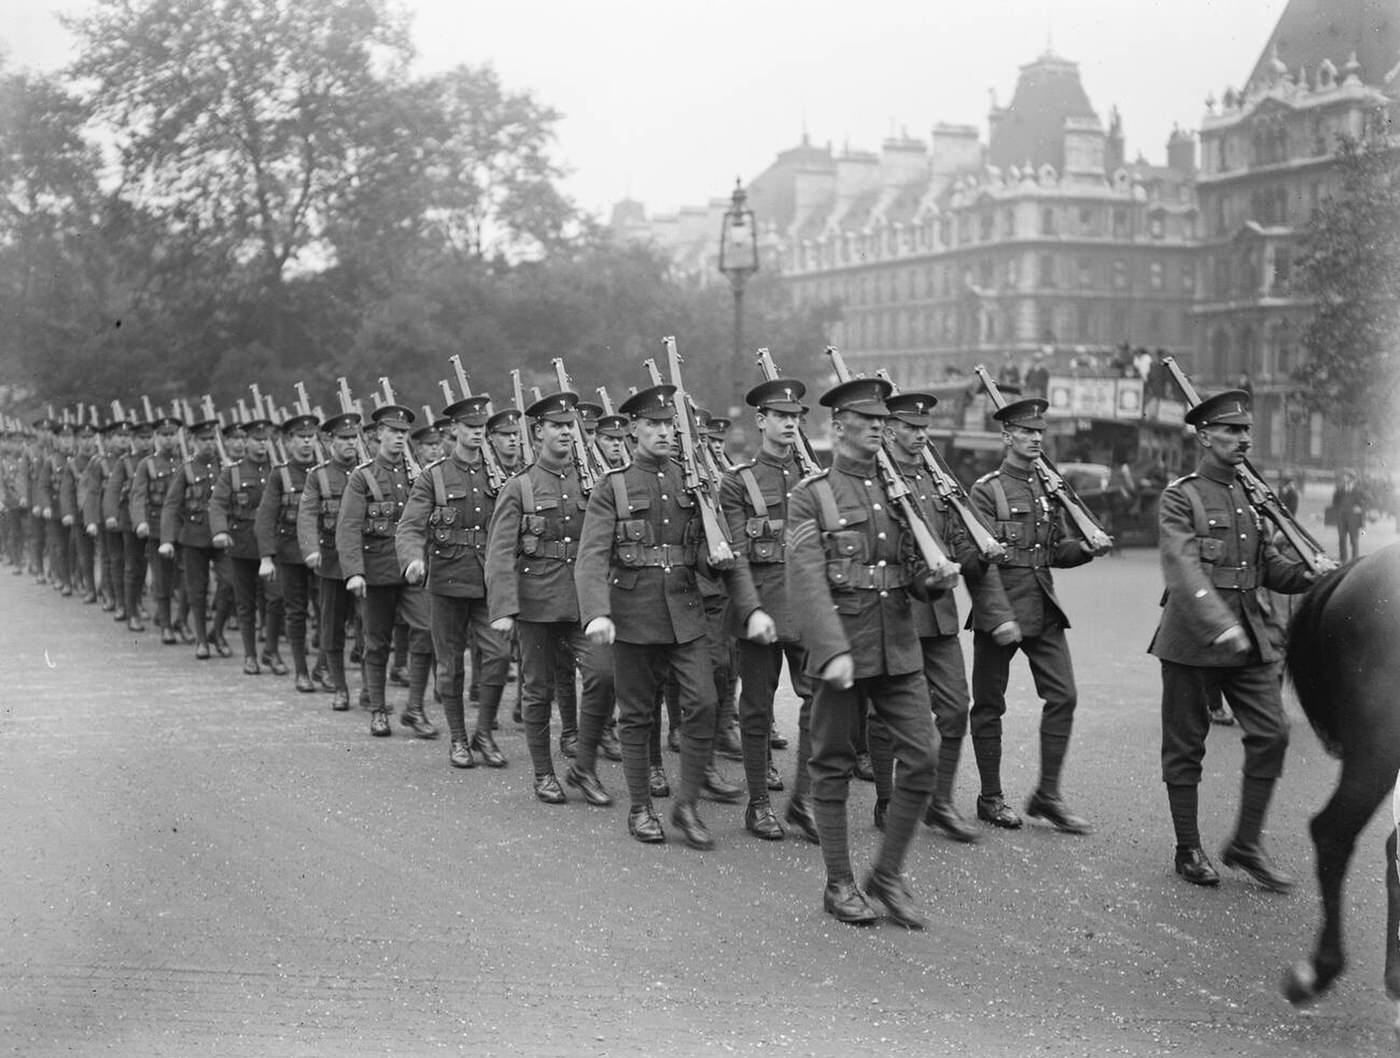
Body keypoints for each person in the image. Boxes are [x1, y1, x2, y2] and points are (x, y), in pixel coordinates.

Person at [785, 377, 959, 927]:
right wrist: (831, 649)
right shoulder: (811, 495)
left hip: (897, 648)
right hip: (843, 651)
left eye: (884, 418)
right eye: (871, 419)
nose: (882, 425)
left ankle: (886, 875)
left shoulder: (897, 492)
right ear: (839, 427)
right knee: (832, 765)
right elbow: (806, 580)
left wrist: (935, 581)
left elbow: (909, 572)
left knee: (924, 755)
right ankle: (838, 883)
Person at [575, 383, 774, 851]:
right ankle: (641, 806)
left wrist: (751, 608)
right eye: (654, 425)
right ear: (635, 430)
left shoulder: (694, 483)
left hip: (685, 613)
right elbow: (591, 557)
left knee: (704, 704)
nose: (664, 432)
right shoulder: (615, 486)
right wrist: (596, 614)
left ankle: (685, 805)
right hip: (633, 613)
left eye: (669, 425)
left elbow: (725, 554)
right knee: (639, 715)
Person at [1149, 389, 1324, 890]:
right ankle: (1188, 848)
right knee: (1185, 746)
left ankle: (1245, 844)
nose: (1244, 438)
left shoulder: (1249, 497)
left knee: (1272, 732)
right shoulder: (1181, 497)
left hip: (1248, 637)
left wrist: (1315, 576)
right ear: (1205, 437)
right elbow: (1182, 569)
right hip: (1193, 640)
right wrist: (1218, 622)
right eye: (1232, 430)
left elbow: (1267, 567)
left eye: (1246, 430)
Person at [967, 397, 1106, 835]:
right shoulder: (986, 491)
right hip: (1001, 610)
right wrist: (998, 616)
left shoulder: (1047, 491)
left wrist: (1086, 549)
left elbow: (1053, 552)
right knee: (989, 704)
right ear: (1007, 437)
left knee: (1063, 695)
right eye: (1027, 432)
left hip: (1042, 607)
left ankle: (1047, 794)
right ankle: (990, 797)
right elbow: (979, 561)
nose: (1036, 439)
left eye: (1040, 432)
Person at [483, 390, 615, 806]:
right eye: (556, 426)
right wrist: (503, 607)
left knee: (604, 676)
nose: (565, 432)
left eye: (569, 426)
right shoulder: (519, 486)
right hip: (536, 603)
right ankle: (544, 773)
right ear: (538, 432)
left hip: (583, 601)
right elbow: (500, 552)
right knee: (537, 690)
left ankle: (584, 766)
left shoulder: (593, 482)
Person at [877, 390, 986, 843]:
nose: (921, 436)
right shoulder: (877, 481)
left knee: (956, 706)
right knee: (885, 715)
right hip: (894, 609)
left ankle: (940, 802)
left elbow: (957, 537)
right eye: (912, 428)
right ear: (890, 431)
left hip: (938, 613)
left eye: (925, 429)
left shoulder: (938, 481)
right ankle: (888, 799)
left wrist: (976, 553)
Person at [718, 377, 817, 842]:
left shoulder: (815, 479)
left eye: (796, 418)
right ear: (762, 422)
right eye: (781, 417)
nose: (790, 425)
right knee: (756, 709)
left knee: (823, 703)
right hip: (762, 610)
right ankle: (759, 804)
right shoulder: (739, 483)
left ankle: (803, 800)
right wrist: (751, 609)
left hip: (810, 609)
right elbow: (736, 555)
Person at [395, 394, 507, 763]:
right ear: (454, 430)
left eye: (481, 428)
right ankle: (459, 738)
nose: (477, 434)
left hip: (488, 581)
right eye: (470, 428)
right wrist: (413, 560)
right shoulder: (434, 477)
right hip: (445, 582)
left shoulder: (498, 477)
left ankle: (485, 734)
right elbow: (410, 526)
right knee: (450, 664)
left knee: (498, 655)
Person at [338, 402, 436, 739]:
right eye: (393, 432)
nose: (399, 438)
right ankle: (378, 710)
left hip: (411, 571)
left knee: (425, 630)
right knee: (376, 641)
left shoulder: (418, 476)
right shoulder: (362, 476)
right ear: (378, 434)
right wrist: (353, 571)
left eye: (404, 433)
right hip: (376, 571)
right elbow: (348, 526)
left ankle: (415, 709)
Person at [298, 411, 362, 712]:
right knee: (332, 626)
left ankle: (369, 690)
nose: (350, 443)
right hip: (332, 563)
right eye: (344, 438)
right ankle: (340, 688)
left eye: (353, 438)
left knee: (368, 627)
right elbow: (308, 515)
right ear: (329, 440)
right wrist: (310, 549)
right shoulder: (318, 476)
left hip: (365, 563)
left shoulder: (367, 471)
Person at [256, 410, 321, 692]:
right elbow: (266, 516)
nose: (307, 443)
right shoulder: (279, 475)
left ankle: (324, 667)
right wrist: (266, 557)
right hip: (291, 553)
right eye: (301, 438)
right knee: (295, 612)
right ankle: (302, 671)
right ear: (289, 441)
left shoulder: (323, 470)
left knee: (328, 612)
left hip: (323, 553)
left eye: (311, 437)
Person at [211, 415, 278, 675]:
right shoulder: (233, 472)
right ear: (247, 441)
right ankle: (250, 655)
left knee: (275, 599)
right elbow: (217, 503)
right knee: (245, 602)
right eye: (256, 440)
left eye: (265, 440)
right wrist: (220, 530)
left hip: (272, 545)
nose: (262, 445)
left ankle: (270, 651)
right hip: (242, 544)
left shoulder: (277, 470)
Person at [1331, 468, 1366, 563]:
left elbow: (1365, 502)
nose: (1344, 479)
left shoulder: (1359, 490)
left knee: (1354, 540)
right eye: (1344, 477)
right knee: (1342, 539)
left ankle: (1355, 560)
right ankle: (1343, 559)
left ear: (1352, 479)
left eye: (1346, 477)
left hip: (1353, 519)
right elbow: (1334, 502)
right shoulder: (1340, 489)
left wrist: (1360, 508)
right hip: (1342, 517)